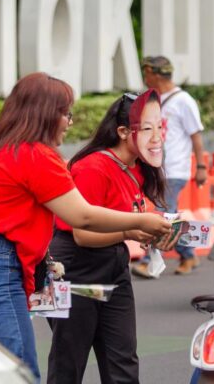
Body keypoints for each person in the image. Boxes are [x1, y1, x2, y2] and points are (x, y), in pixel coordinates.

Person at [0, 72, 171, 381]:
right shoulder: (39, 156)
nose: (69, 122)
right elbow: (82, 219)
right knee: (20, 372)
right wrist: (140, 222)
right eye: (66, 114)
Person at [47, 90, 171, 384]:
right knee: (69, 362)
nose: (156, 137)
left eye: (159, 127)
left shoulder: (138, 168)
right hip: (75, 271)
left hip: (114, 267)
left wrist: (164, 232)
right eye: (147, 129)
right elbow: (83, 236)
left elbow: (139, 214)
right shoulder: (92, 167)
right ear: (124, 131)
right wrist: (131, 230)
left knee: (123, 362)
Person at [131, 56, 207, 277]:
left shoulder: (183, 100)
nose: (144, 78)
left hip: (174, 169)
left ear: (154, 74)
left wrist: (201, 166)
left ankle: (149, 262)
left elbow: (196, 136)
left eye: (146, 74)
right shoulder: (153, 100)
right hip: (156, 168)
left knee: (164, 215)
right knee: (168, 213)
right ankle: (188, 254)